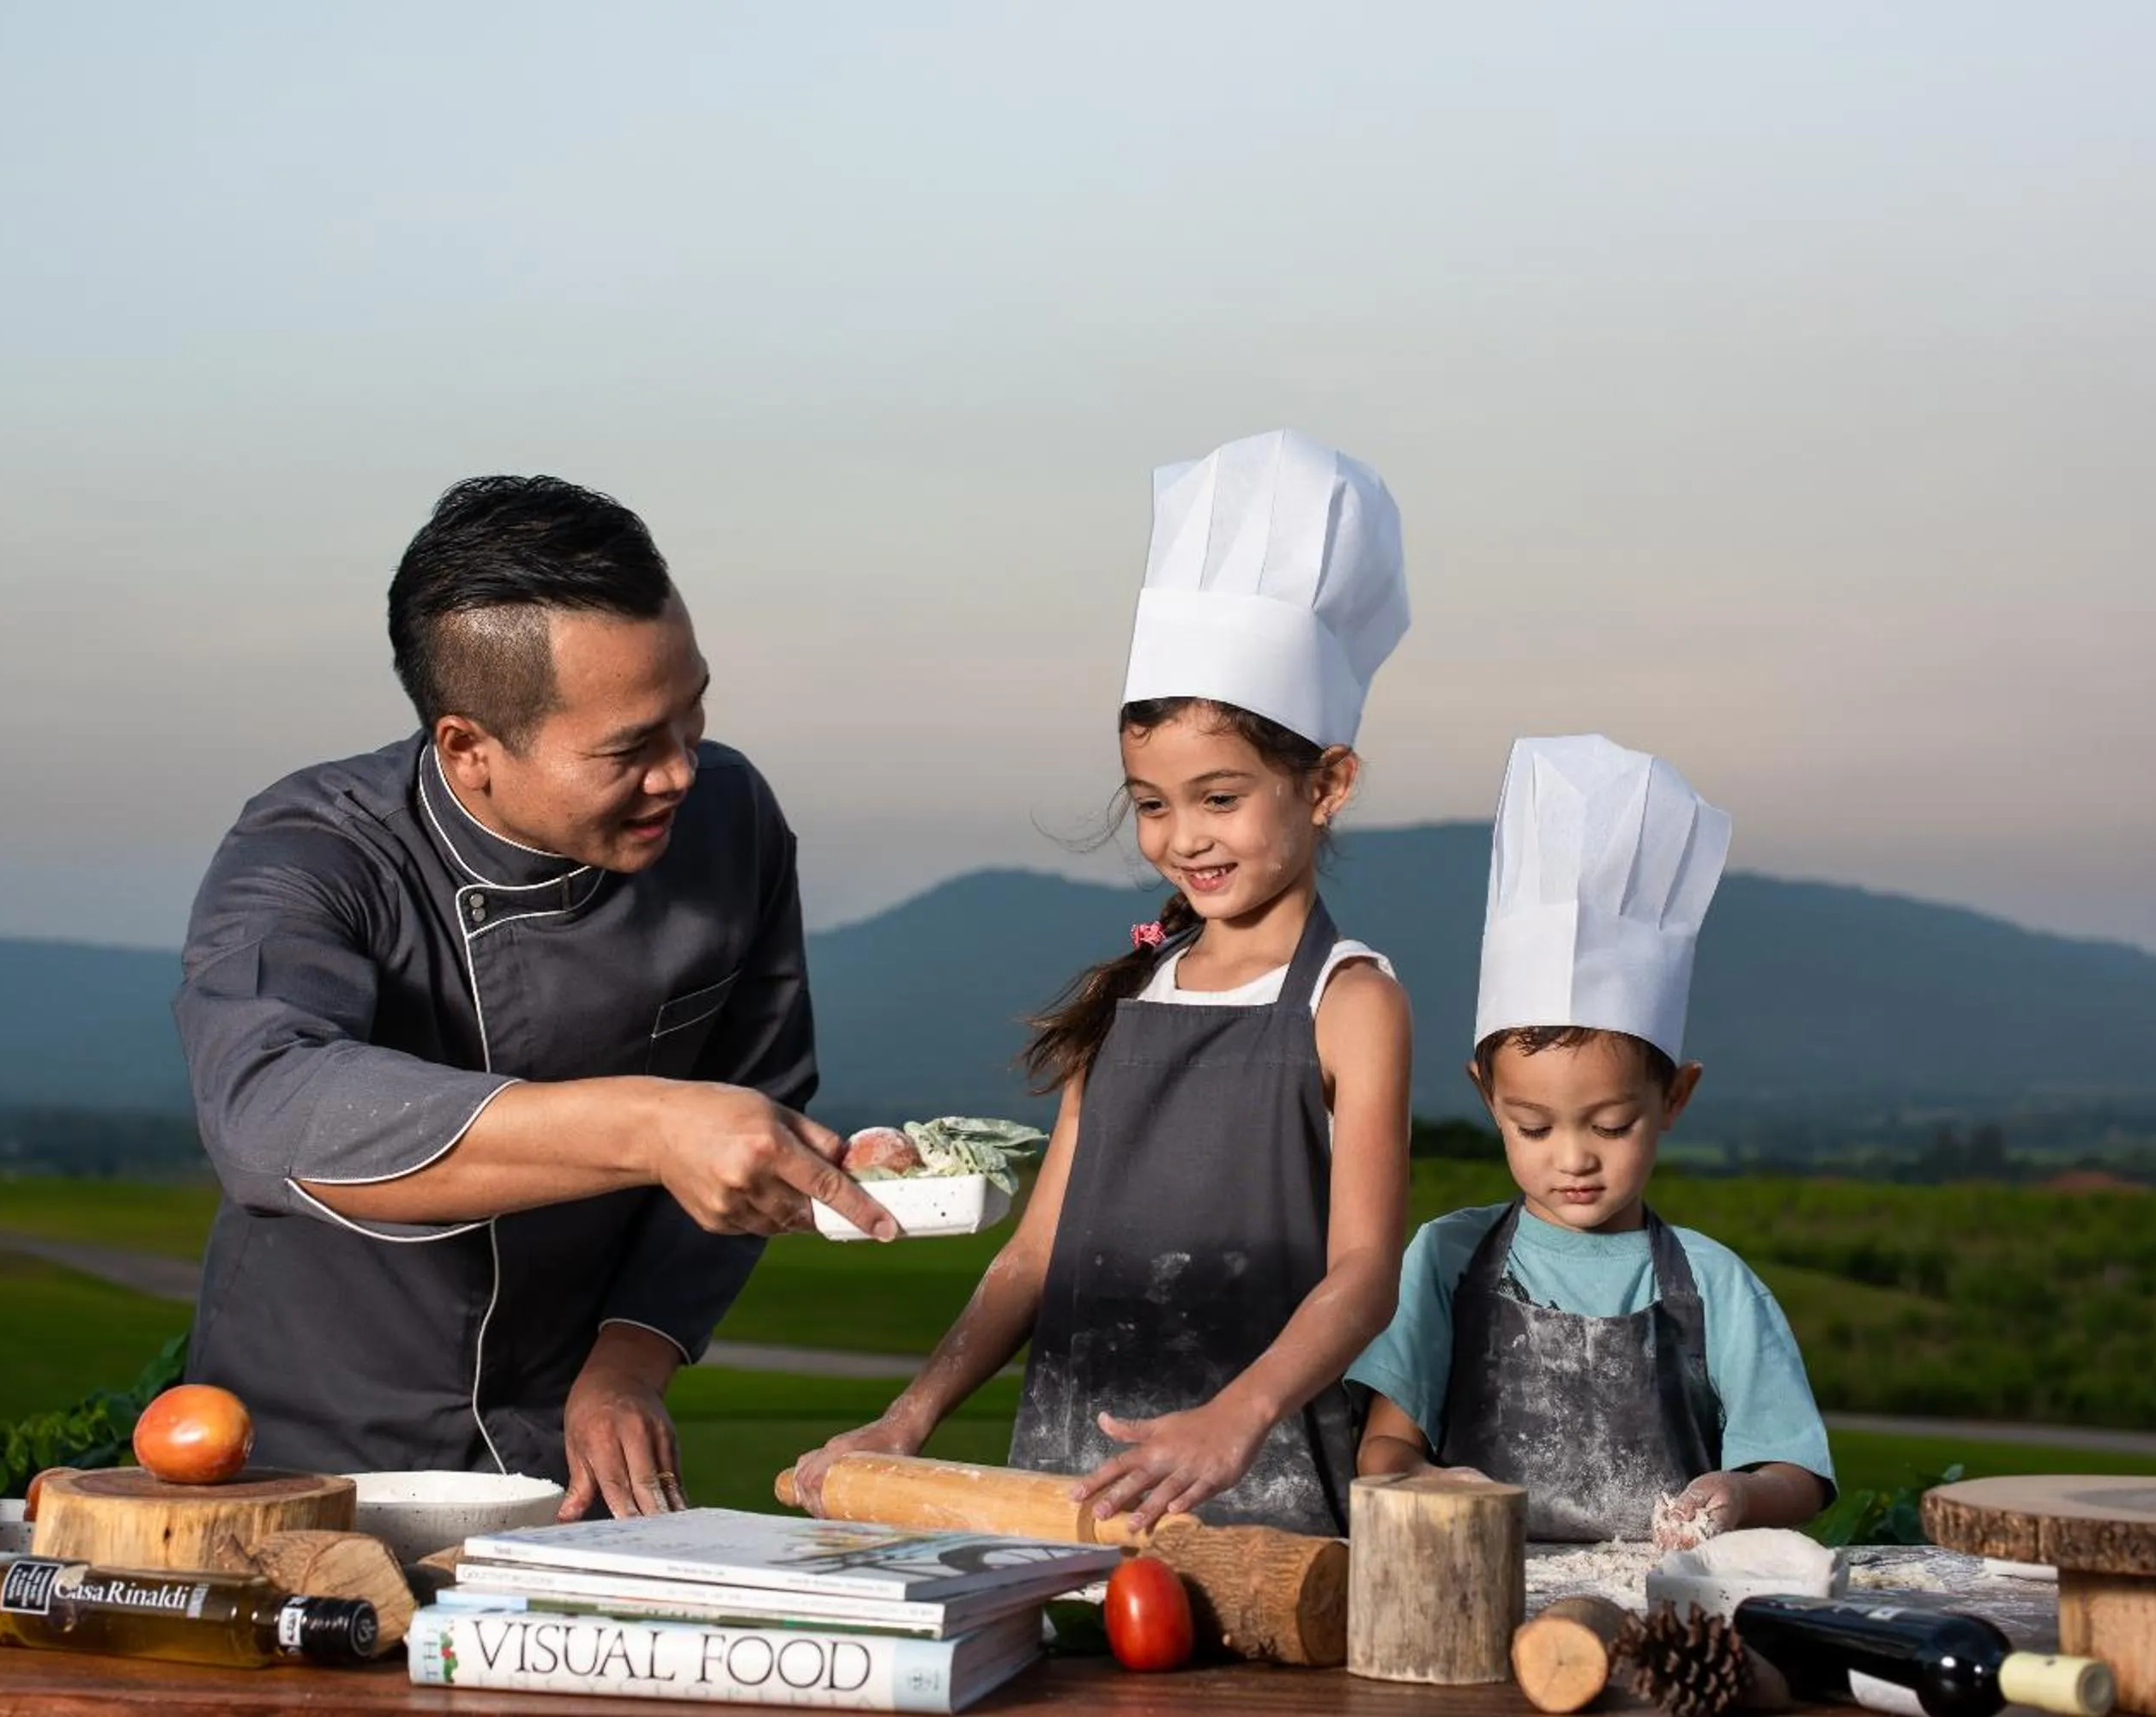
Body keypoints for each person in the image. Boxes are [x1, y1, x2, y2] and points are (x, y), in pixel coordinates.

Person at [172, 475, 894, 1520]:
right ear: (467, 748)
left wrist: (631, 1360)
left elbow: (754, 1095)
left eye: (691, 715)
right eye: (628, 749)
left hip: (572, 1441)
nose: (682, 773)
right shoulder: (311, 853)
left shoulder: (729, 819)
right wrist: (652, 1123)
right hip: (307, 1447)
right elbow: (265, 1110)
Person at [792, 430, 1416, 1536]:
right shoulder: (1131, 997)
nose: (1183, 838)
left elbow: (1364, 1274)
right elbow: (1034, 1255)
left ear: (1326, 783)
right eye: (1153, 803)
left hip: (1254, 1487)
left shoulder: (1353, 1001)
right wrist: (909, 1416)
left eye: (1219, 798)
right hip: (1066, 1489)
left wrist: (1235, 1418)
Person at [1350, 734, 1833, 1545]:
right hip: (1477, 1599)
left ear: (1676, 1095)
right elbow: (1383, 1451)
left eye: (1612, 1125)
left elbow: (1798, 1474)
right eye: (1533, 1126)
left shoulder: (1715, 1285)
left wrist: (1738, 1494)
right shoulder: (1445, 1259)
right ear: (1486, 1095)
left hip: (1664, 1608)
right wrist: (1432, 1481)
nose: (1572, 1157)